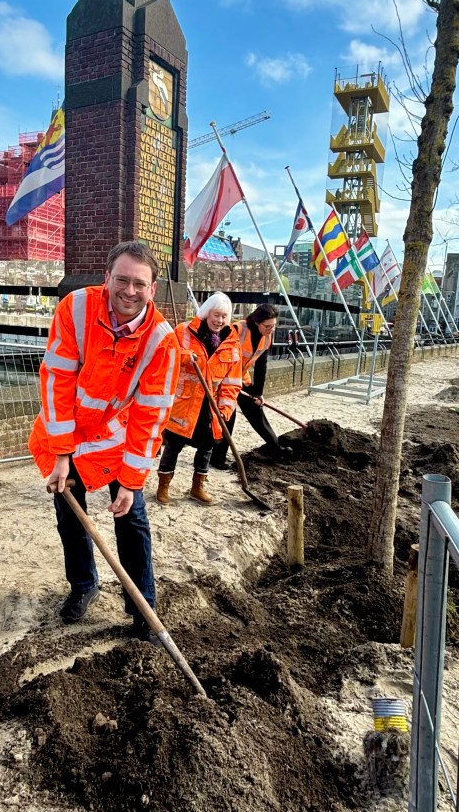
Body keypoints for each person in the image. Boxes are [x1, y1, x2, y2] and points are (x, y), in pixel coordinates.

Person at [29, 240, 178, 631]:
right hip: (68, 432)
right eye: (122, 280)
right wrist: (61, 453)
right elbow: (57, 379)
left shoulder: (162, 341)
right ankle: (83, 586)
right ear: (107, 278)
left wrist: (130, 482)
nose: (130, 291)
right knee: (69, 514)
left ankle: (142, 607)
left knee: (132, 519)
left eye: (140, 284)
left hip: (116, 437)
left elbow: (151, 416)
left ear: (153, 288)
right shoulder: (75, 308)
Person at [156, 292, 242, 505]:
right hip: (184, 403)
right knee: (173, 446)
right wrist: (184, 356)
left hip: (210, 407)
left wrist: (225, 411)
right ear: (206, 313)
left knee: (206, 447)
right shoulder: (183, 332)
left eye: (224, 316)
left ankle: (197, 487)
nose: (219, 320)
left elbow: (232, 383)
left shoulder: (231, 344)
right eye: (216, 315)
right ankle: (163, 486)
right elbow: (165, 355)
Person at [212, 303, 284, 469]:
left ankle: (275, 447)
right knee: (228, 416)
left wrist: (258, 392)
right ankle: (217, 458)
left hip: (242, 378)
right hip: (224, 379)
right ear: (257, 322)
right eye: (267, 326)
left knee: (256, 411)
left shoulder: (267, 336)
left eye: (274, 326)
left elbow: (261, 365)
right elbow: (216, 352)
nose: (271, 329)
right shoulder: (236, 330)